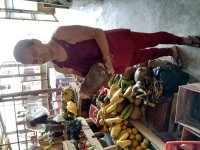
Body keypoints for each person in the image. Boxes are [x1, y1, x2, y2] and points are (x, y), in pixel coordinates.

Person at [13, 25, 200, 77]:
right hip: (114, 63)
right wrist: (83, 79)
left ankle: (183, 39)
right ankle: (171, 51)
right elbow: (84, 73)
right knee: (145, 56)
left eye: (35, 52)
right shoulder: (58, 67)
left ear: (36, 41)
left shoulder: (61, 34)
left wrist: (107, 59)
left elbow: (97, 32)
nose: (40, 58)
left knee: (152, 39)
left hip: (115, 45)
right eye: (35, 61)